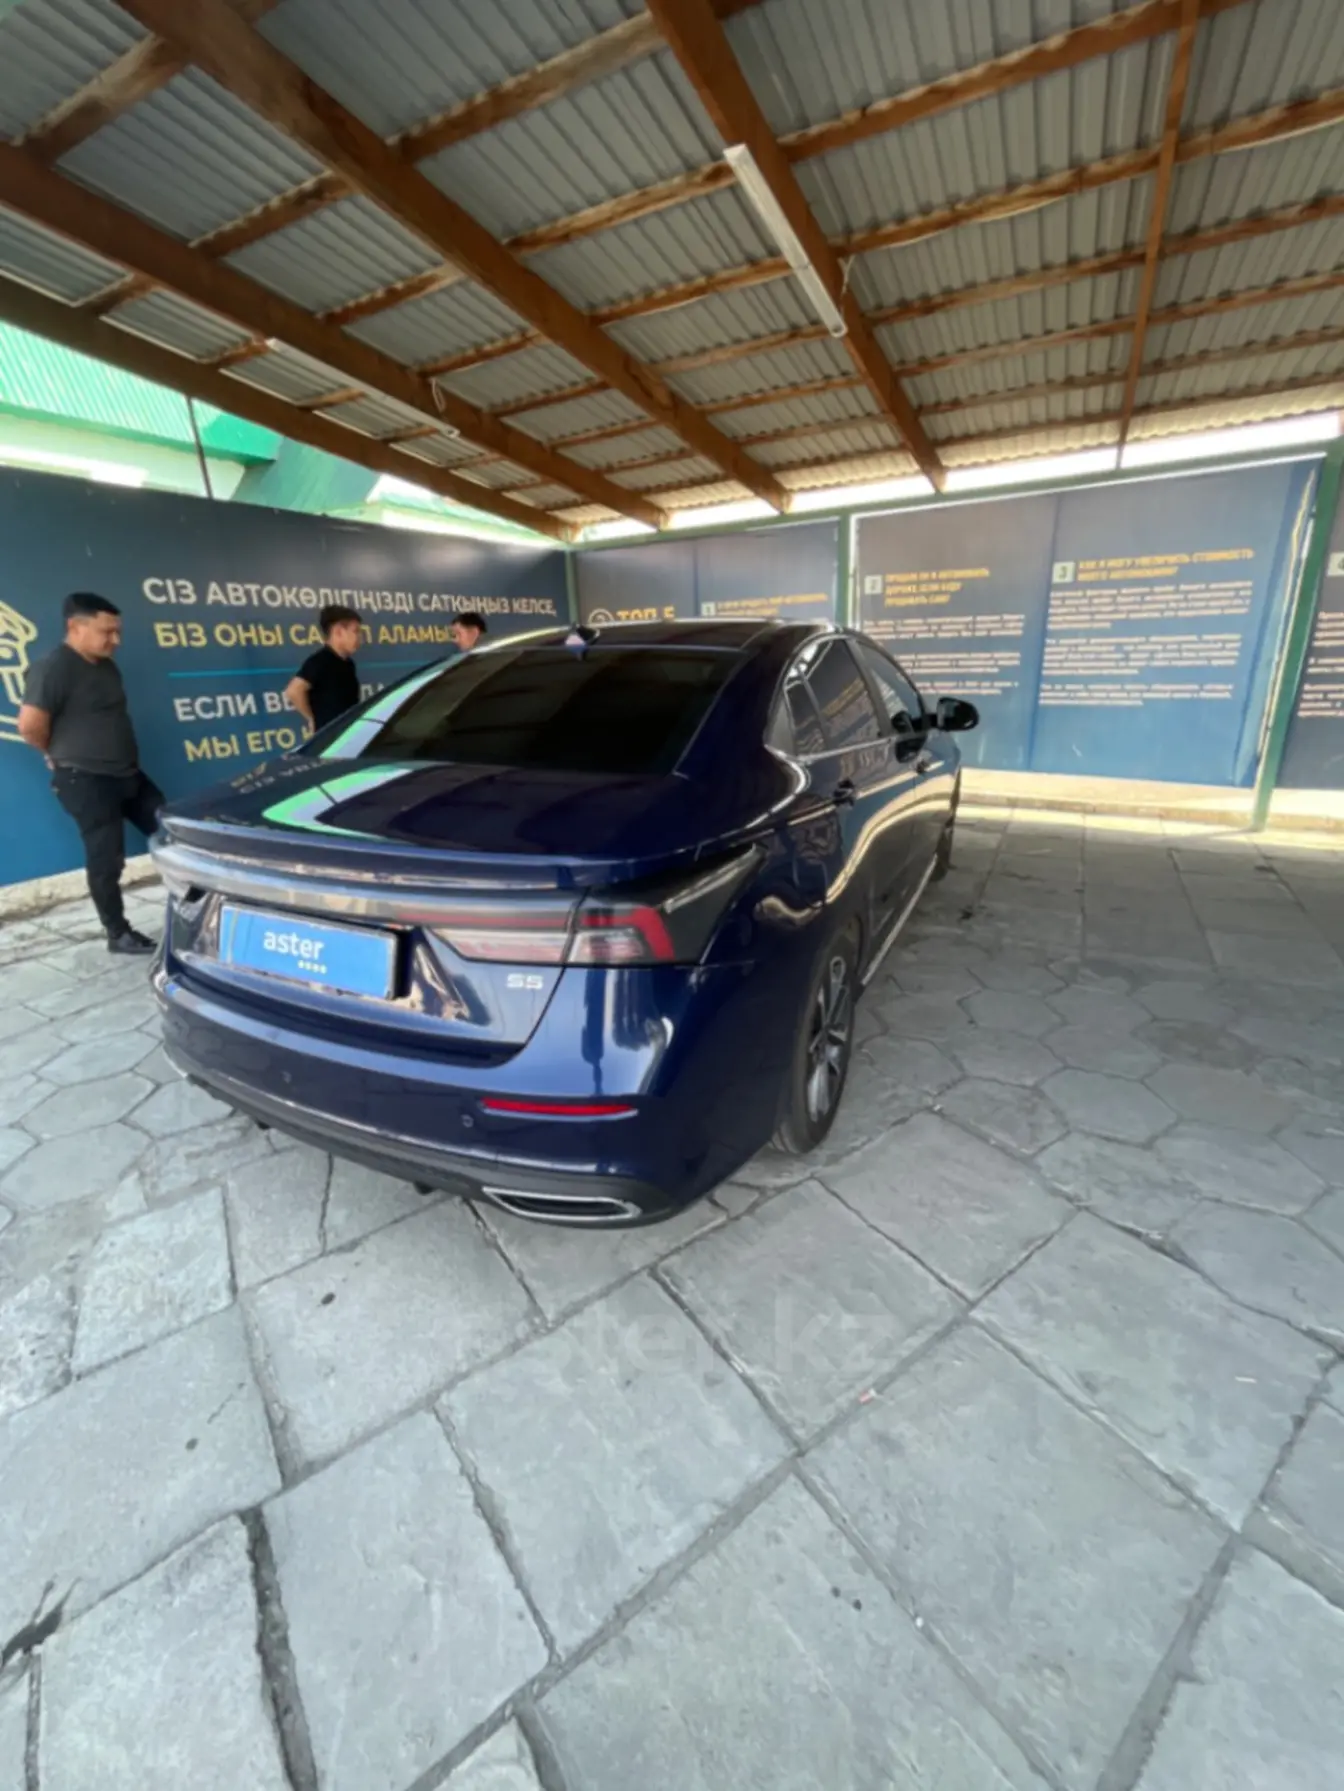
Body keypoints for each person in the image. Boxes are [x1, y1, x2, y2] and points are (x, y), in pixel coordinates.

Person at [18, 591, 163, 955]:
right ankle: (118, 933)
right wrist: (54, 754)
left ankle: (200, 905)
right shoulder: (53, 668)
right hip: (86, 780)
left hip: (127, 774)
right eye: (107, 632)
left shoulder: (106, 666)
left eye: (117, 631)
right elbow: (30, 725)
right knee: (106, 858)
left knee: (171, 830)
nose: (116, 640)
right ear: (75, 627)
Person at [286, 603, 362, 734]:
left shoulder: (348, 663)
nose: (360, 637)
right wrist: (312, 718)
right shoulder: (320, 661)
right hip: (331, 736)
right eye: (356, 631)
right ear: (338, 632)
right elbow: (293, 691)